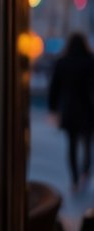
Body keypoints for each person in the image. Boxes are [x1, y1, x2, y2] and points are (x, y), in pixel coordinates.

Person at [48, 32, 94, 192]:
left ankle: (74, 179)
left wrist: (53, 109)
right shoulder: (90, 61)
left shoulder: (63, 62)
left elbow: (54, 88)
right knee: (88, 143)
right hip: (88, 110)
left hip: (70, 110)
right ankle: (86, 170)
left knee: (72, 146)